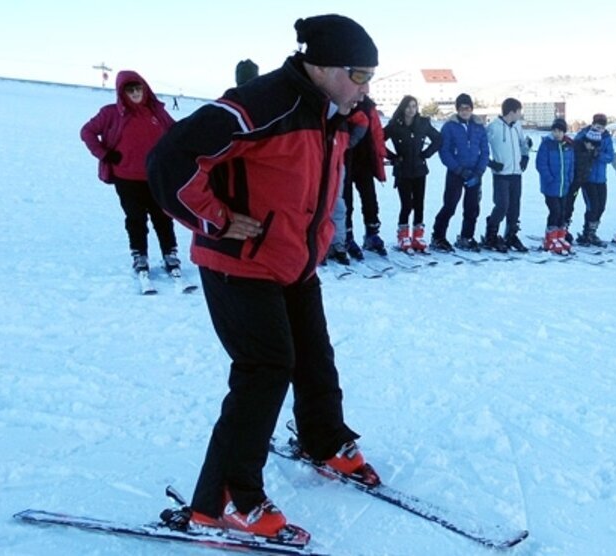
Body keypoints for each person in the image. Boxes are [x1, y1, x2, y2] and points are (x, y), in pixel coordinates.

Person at [146, 14, 380, 538]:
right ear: (321, 67)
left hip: (291, 261)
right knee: (265, 368)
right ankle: (225, 498)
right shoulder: (265, 102)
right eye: (360, 74)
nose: (367, 88)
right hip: (239, 262)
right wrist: (218, 219)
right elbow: (170, 158)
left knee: (313, 354)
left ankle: (324, 439)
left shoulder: (332, 111)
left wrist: (354, 120)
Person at [80, 70, 179, 275]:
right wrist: (104, 154)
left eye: (138, 88)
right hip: (126, 178)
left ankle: (170, 254)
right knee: (135, 218)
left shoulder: (157, 112)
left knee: (163, 217)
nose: (135, 93)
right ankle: (139, 256)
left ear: (145, 88)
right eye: (129, 89)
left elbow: (176, 133)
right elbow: (87, 131)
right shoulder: (110, 113)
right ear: (121, 92)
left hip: (155, 177)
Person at [383, 94, 442, 253]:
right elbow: (377, 140)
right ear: (403, 107)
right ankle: (403, 236)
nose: (411, 109)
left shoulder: (423, 123)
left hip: (419, 169)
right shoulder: (395, 125)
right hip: (403, 170)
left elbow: (438, 139)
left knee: (419, 203)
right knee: (406, 204)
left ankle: (418, 235)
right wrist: (392, 157)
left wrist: (426, 153)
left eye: (414, 106)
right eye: (408, 106)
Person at [432, 93, 488, 252]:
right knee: (449, 206)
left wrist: (479, 172)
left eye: (468, 108)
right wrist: (458, 169)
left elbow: (484, 150)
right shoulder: (449, 127)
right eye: (462, 108)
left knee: (472, 207)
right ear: (457, 109)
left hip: (474, 173)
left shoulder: (478, 126)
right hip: (456, 172)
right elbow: (445, 151)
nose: (465, 111)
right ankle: (438, 236)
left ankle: (466, 236)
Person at [342, 94, 388, 257]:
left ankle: (372, 233)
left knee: (370, 200)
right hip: (343, 160)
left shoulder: (369, 106)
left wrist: (382, 153)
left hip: (364, 160)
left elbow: (377, 132)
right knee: (346, 202)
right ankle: (346, 236)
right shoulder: (340, 102)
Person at [483, 97, 530, 253]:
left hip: (516, 173)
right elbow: (480, 146)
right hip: (501, 174)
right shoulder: (493, 127)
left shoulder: (517, 126)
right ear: (512, 112)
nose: (520, 115)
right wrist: (490, 163)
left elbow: (523, 143)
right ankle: (491, 235)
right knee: (502, 205)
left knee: (514, 207)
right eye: (519, 111)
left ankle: (511, 235)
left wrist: (525, 157)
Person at [570, 113, 615, 247]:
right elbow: (576, 148)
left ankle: (592, 231)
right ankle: (587, 232)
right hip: (587, 178)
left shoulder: (606, 138)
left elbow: (610, 157)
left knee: (601, 206)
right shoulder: (584, 134)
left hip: (601, 178)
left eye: (602, 127)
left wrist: (598, 154)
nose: (599, 129)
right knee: (592, 206)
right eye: (597, 126)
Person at [536, 118, 575, 254]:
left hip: (564, 186)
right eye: (555, 131)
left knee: (563, 212)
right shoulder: (547, 145)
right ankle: (550, 238)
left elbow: (571, 164)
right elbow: (541, 164)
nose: (557, 134)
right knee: (555, 211)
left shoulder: (568, 146)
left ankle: (560, 236)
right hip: (551, 187)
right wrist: (549, 178)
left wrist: (570, 178)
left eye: (560, 131)